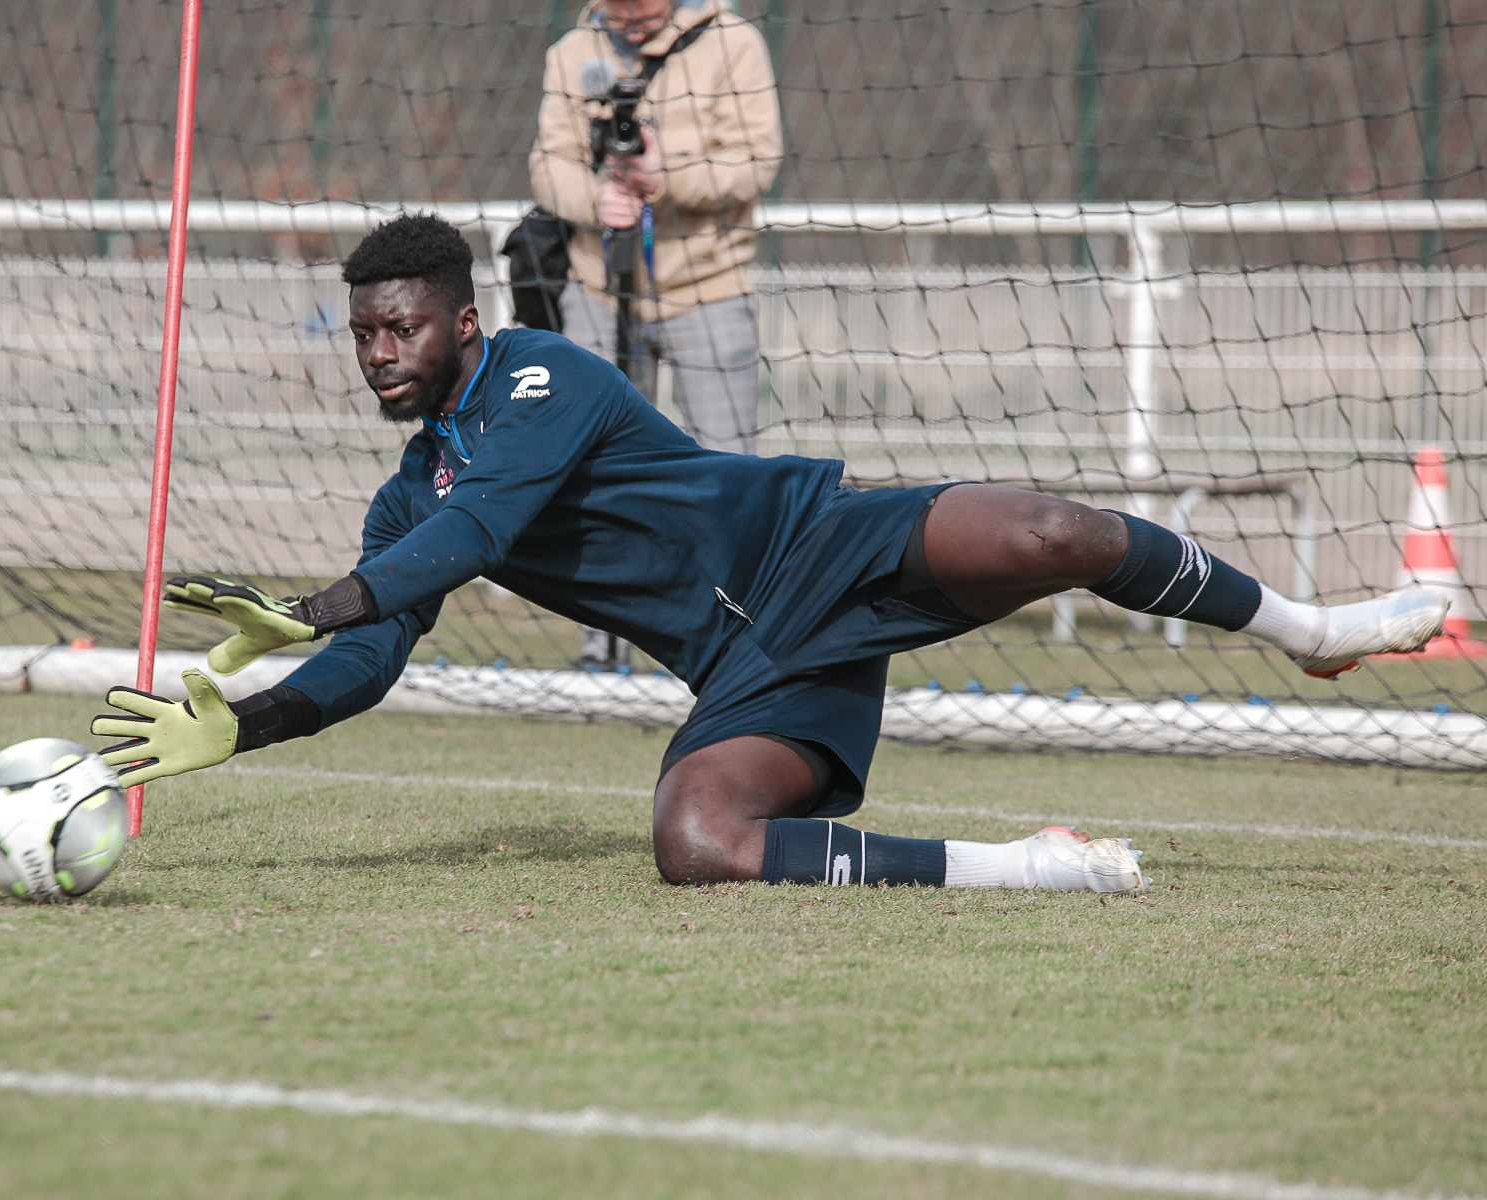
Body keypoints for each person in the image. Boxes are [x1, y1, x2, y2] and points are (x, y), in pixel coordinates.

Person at [91, 216, 1450, 896]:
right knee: (694, 845)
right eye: (364, 336)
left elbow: (482, 531)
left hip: (824, 538)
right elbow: (377, 653)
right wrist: (250, 721)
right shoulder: (403, 502)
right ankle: (1029, 865)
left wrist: (311, 602)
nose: (380, 355)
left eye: (402, 330)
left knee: (1059, 532)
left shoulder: (537, 376)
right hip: (753, 663)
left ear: (461, 322)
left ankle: (1312, 630)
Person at [531, 0, 782, 671]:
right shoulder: (570, 52)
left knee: (730, 477)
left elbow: (758, 161)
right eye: (622, 9)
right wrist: (593, 199)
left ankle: (741, 653)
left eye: (646, 11)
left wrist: (668, 182)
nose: (633, 21)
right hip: (597, 292)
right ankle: (602, 654)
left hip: (710, 290)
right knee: (593, 474)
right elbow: (547, 162)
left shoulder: (732, 44)